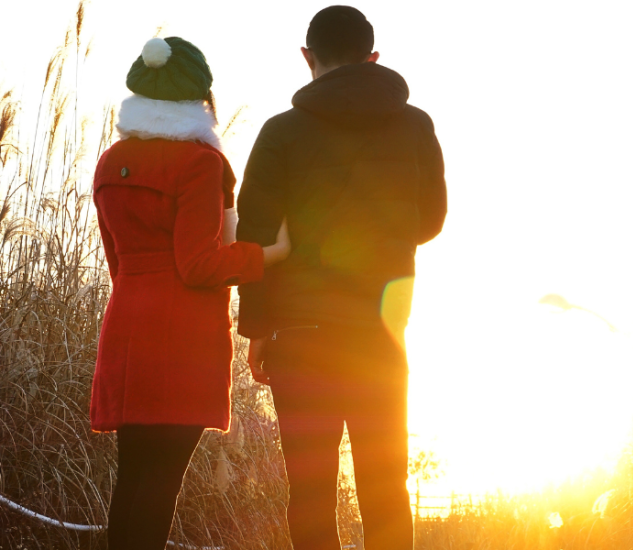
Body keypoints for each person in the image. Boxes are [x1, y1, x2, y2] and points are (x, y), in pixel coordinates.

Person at [235, 6, 447, 550]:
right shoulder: (415, 125)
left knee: (310, 491)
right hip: (380, 335)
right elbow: (431, 221)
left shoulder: (280, 133)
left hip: (300, 338)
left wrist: (256, 327)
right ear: (373, 58)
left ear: (307, 57)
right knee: (385, 489)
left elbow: (255, 239)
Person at [90, 37, 291, 550]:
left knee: (132, 475)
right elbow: (198, 263)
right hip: (179, 339)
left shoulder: (112, 161)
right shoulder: (199, 163)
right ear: (200, 97)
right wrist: (269, 254)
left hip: (127, 327)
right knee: (162, 479)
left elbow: (118, 263)